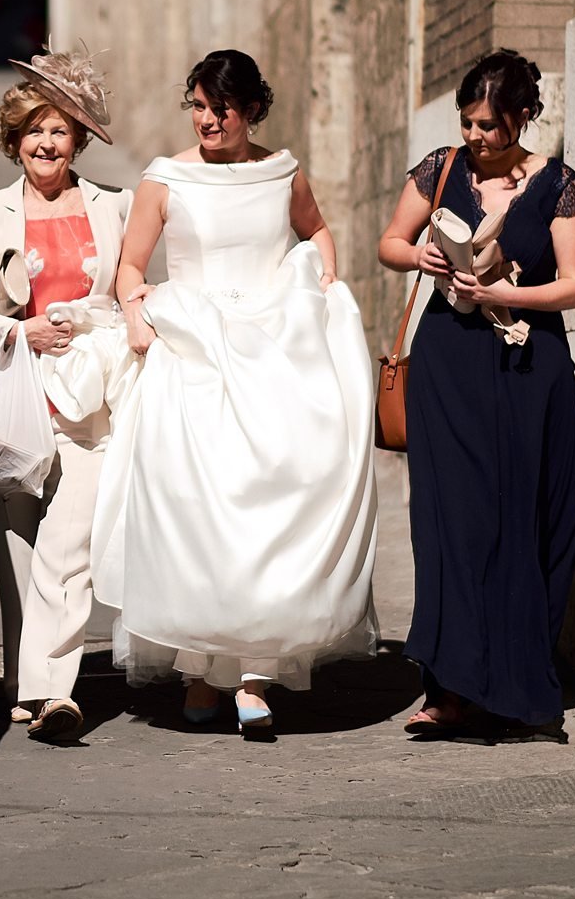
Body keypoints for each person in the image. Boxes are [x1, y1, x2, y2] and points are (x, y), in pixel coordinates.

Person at [92, 49, 379, 736]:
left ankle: (254, 675)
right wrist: (137, 316)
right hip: (192, 349)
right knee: (198, 508)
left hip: (274, 350)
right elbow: (130, 264)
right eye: (196, 105)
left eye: (219, 108)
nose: (206, 120)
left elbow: (317, 231)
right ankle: (196, 667)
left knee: (267, 506)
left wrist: (325, 290)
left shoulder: (283, 173)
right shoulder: (165, 179)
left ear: (251, 110)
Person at [376, 49, 575, 739]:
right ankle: (449, 688)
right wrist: (420, 256)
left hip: (530, 370)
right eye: (468, 122)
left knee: (524, 520)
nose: (477, 137)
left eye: (491, 125)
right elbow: (389, 242)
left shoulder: (558, 184)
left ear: (524, 117)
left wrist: (507, 293)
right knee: (451, 522)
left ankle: (517, 686)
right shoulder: (439, 169)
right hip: (448, 369)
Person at [0, 48, 132, 740]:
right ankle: (26, 681)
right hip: (12, 390)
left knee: (68, 543)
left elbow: (128, 291)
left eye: (59, 130)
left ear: (77, 139)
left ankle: (58, 691)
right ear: (14, 139)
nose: (46, 143)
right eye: (34, 130)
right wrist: (16, 332)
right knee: (17, 545)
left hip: (89, 394)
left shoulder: (117, 207)